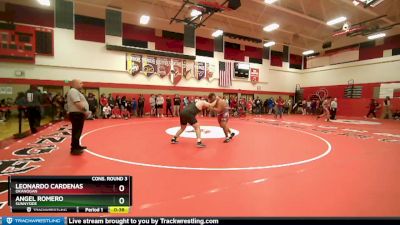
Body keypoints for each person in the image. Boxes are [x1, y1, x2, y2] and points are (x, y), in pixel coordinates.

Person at [67, 79, 90, 155]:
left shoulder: (75, 91)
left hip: (78, 114)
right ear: (75, 84)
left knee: (78, 131)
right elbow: (77, 103)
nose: (82, 84)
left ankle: (76, 146)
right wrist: (85, 111)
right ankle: (74, 148)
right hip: (76, 114)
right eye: (80, 83)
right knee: (76, 131)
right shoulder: (73, 91)